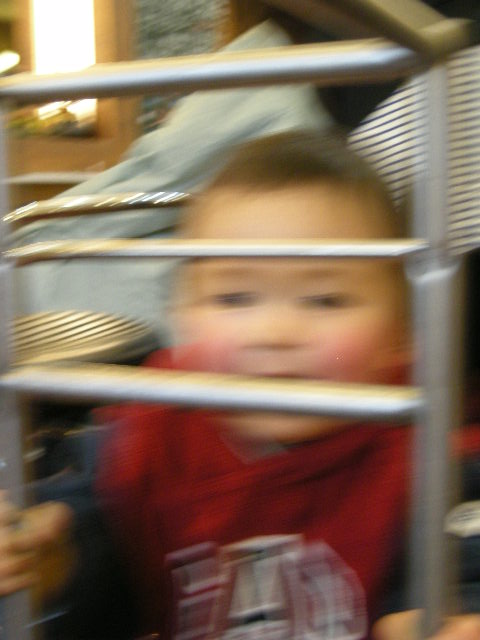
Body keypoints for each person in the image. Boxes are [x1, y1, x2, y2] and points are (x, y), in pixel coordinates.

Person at [2, 130, 480, 640]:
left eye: (326, 300)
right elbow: (97, 542)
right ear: (182, 319)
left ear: (402, 336)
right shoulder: (148, 437)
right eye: (234, 298)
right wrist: (58, 562)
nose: (273, 333)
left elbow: (462, 565)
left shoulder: (427, 457)